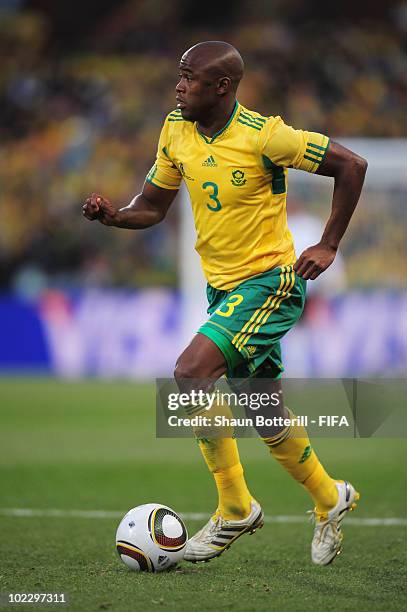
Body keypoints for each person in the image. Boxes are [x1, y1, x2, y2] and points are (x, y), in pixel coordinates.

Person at [83, 41, 367, 566]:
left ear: (222, 87)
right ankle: (331, 498)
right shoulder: (177, 129)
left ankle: (235, 507)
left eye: (190, 78)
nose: (179, 86)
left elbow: (352, 165)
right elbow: (151, 206)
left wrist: (328, 244)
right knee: (264, 410)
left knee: (191, 373)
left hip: (269, 282)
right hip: (224, 289)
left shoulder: (266, 135)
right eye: (179, 76)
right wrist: (114, 216)